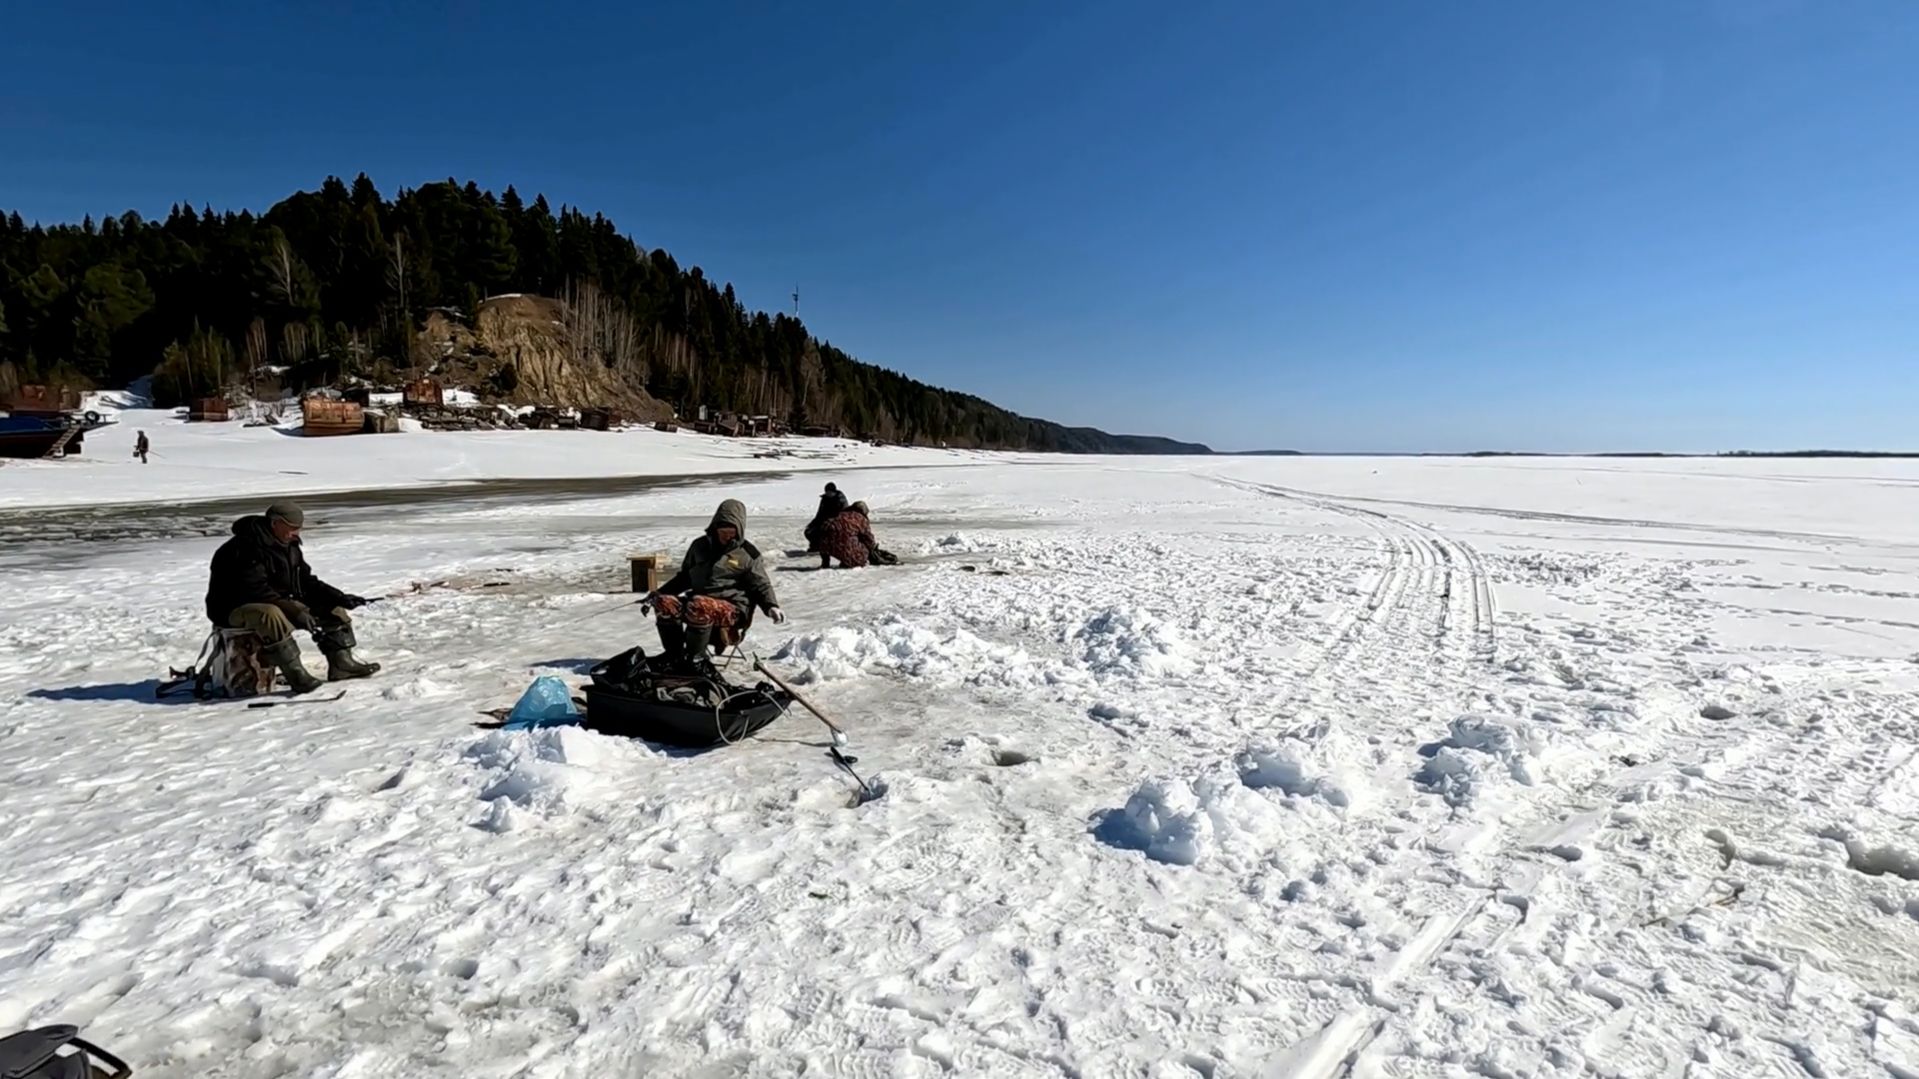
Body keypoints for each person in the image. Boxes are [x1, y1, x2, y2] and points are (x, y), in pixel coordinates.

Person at [203, 502, 380, 694]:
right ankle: (296, 675)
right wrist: (295, 611)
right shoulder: (243, 548)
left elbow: (305, 581)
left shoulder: (289, 545)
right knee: (271, 614)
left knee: (333, 608)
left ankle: (342, 665)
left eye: (299, 529)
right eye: (293, 528)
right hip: (232, 609)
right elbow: (255, 591)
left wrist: (339, 597)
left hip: (275, 602)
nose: (297, 533)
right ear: (275, 524)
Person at [649, 499, 785, 672]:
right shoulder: (699, 546)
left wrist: (771, 606)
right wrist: (658, 594)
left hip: (733, 609)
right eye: (723, 532)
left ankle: (695, 660)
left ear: (739, 530)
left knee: (699, 604)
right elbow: (685, 577)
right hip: (697, 603)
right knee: (664, 603)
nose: (726, 536)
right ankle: (674, 655)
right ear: (715, 528)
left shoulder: (748, 554)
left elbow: (761, 584)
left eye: (731, 532)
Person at [818, 500, 882, 568]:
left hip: (826, 545)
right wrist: (873, 549)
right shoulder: (861, 519)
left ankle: (825, 562)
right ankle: (850, 561)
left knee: (828, 538)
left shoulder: (840, 514)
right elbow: (868, 537)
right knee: (862, 555)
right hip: (845, 546)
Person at [804, 482, 849, 552]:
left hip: (838, 524)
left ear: (834, 492)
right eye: (827, 492)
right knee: (809, 532)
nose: (828, 494)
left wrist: (832, 522)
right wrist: (812, 524)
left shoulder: (841, 500)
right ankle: (816, 546)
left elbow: (845, 515)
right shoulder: (824, 499)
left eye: (830, 492)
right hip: (825, 522)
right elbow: (819, 514)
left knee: (828, 532)